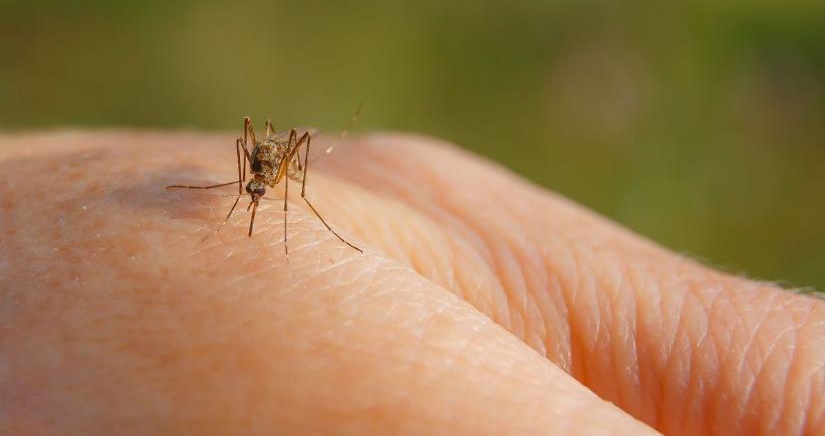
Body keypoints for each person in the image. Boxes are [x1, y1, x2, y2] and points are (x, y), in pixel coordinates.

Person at [1, 132, 823, 435]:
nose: (252, 196)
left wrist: (297, 202)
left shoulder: (280, 170)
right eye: (253, 186)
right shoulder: (243, 180)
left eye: (255, 185)